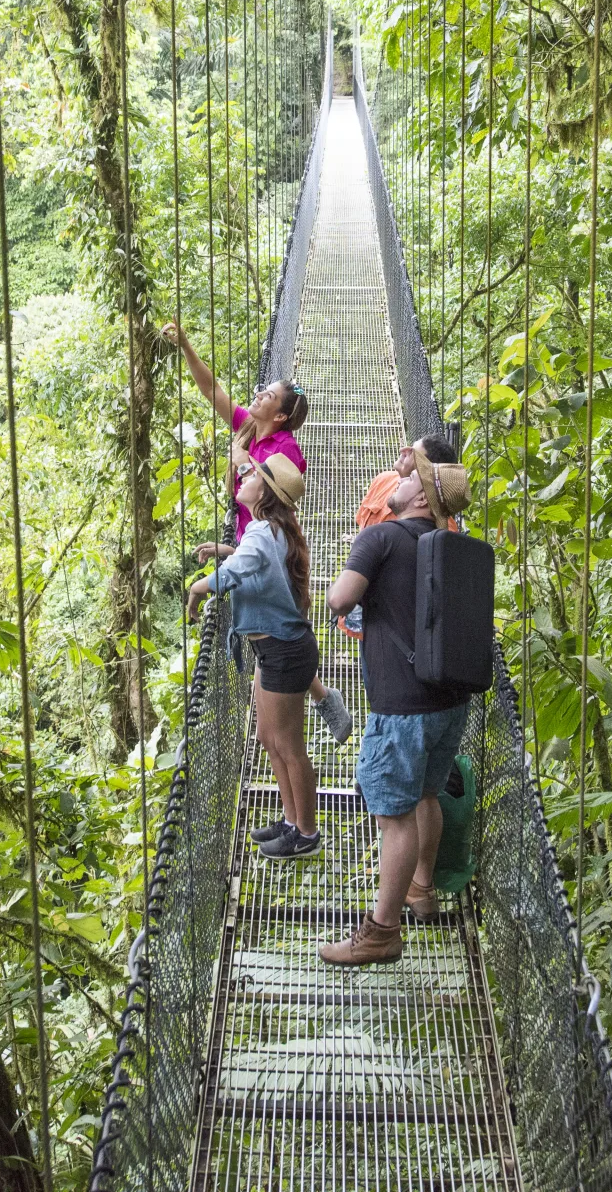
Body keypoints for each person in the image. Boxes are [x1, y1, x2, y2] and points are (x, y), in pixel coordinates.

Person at [316, 445, 475, 965]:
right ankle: (421, 889)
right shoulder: (453, 547)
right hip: (450, 702)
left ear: (422, 498)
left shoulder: (380, 536)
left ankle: (382, 932)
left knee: (394, 817)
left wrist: (362, 565)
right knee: (426, 794)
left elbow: (339, 600)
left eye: (411, 480)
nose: (398, 482)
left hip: (401, 708)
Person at [161, 322, 353, 743]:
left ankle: (318, 703)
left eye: (268, 394)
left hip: (276, 556)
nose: (259, 393)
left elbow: (278, 504)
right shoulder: (248, 428)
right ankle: (321, 697)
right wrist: (187, 346)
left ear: (281, 415)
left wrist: (243, 459)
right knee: (265, 641)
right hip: (252, 547)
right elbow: (212, 390)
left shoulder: (286, 451)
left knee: (279, 637)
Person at [186, 454, 324, 859]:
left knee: (289, 744)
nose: (243, 477)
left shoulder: (262, 531)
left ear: (264, 492)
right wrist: (226, 549)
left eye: (252, 475)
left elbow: (241, 568)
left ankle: (307, 834)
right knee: (268, 737)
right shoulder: (270, 529)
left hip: (284, 651)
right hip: (275, 649)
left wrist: (199, 588)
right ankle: (290, 820)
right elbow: (255, 557)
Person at [340, 434, 461, 641]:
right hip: (364, 613)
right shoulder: (383, 481)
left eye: (413, 452)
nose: (404, 450)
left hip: (401, 629)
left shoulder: (444, 532)